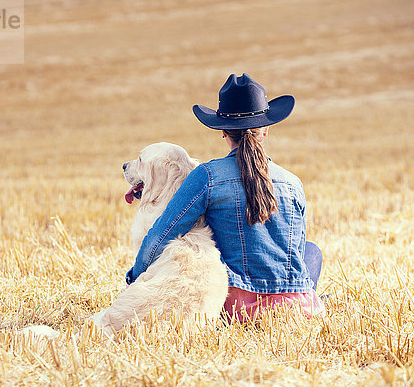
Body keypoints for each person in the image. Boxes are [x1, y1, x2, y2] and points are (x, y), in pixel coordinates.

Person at [125, 73, 325, 322]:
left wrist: (134, 278)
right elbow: (293, 249)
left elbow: (162, 234)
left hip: (234, 306)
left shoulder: (206, 176)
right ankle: (308, 302)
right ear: (266, 130)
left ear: (222, 131)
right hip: (292, 305)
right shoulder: (293, 183)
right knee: (311, 251)